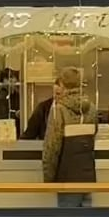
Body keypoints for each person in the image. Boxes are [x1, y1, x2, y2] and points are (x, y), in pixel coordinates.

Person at [42, 67, 96, 208]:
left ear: (62, 84)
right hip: (88, 175)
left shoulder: (58, 110)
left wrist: (48, 179)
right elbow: (93, 136)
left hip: (67, 177)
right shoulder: (92, 109)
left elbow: (52, 147)